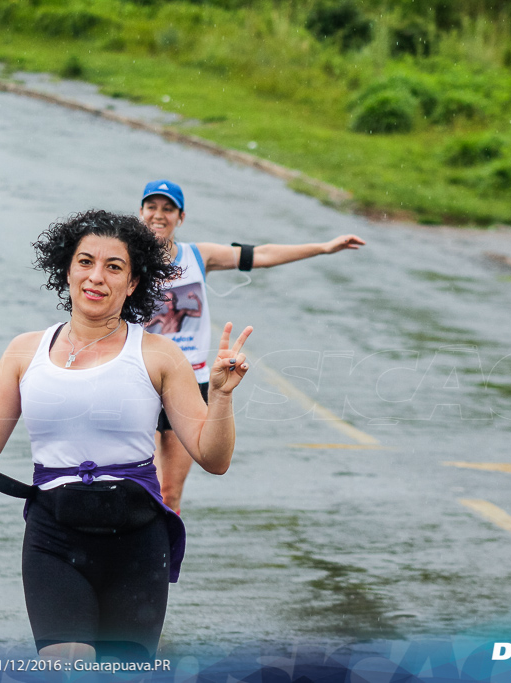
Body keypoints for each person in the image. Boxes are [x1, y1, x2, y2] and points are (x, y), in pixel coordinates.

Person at [0, 210, 252, 662]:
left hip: (138, 543)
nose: (97, 277)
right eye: (85, 261)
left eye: (114, 267)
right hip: (54, 537)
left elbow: (215, 458)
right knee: (64, 667)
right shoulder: (24, 351)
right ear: (67, 269)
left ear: (133, 283)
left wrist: (223, 398)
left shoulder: (159, 355)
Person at [139, 179, 366, 513]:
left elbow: (261, 254)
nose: (159, 215)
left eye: (168, 209)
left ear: (180, 217)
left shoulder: (198, 256)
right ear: (141, 211)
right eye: (152, 207)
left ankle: (163, 563)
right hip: (141, 379)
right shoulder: (125, 258)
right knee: (140, 488)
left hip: (189, 383)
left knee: (169, 494)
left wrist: (322, 247)